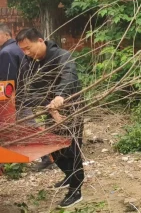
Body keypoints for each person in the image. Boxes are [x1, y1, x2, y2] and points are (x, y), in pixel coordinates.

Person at [16, 28, 84, 208]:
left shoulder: (62, 55)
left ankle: (76, 190)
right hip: (48, 109)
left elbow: (69, 76)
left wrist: (60, 96)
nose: (26, 52)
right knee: (53, 147)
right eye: (23, 50)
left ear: (40, 40)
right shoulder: (32, 62)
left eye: (28, 48)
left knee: (72, 148)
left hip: (69, 107)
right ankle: (69, 175)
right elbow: (30, 88)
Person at [0, 24, 55, 171]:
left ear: (6, 35)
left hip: (14, 99)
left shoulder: (6, 52)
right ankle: (48, 156)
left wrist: (8, 102)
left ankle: (49, 156)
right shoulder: (19, 49)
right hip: (25, 95)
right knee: (29, 127)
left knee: (18, 129)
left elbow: (7, 81)